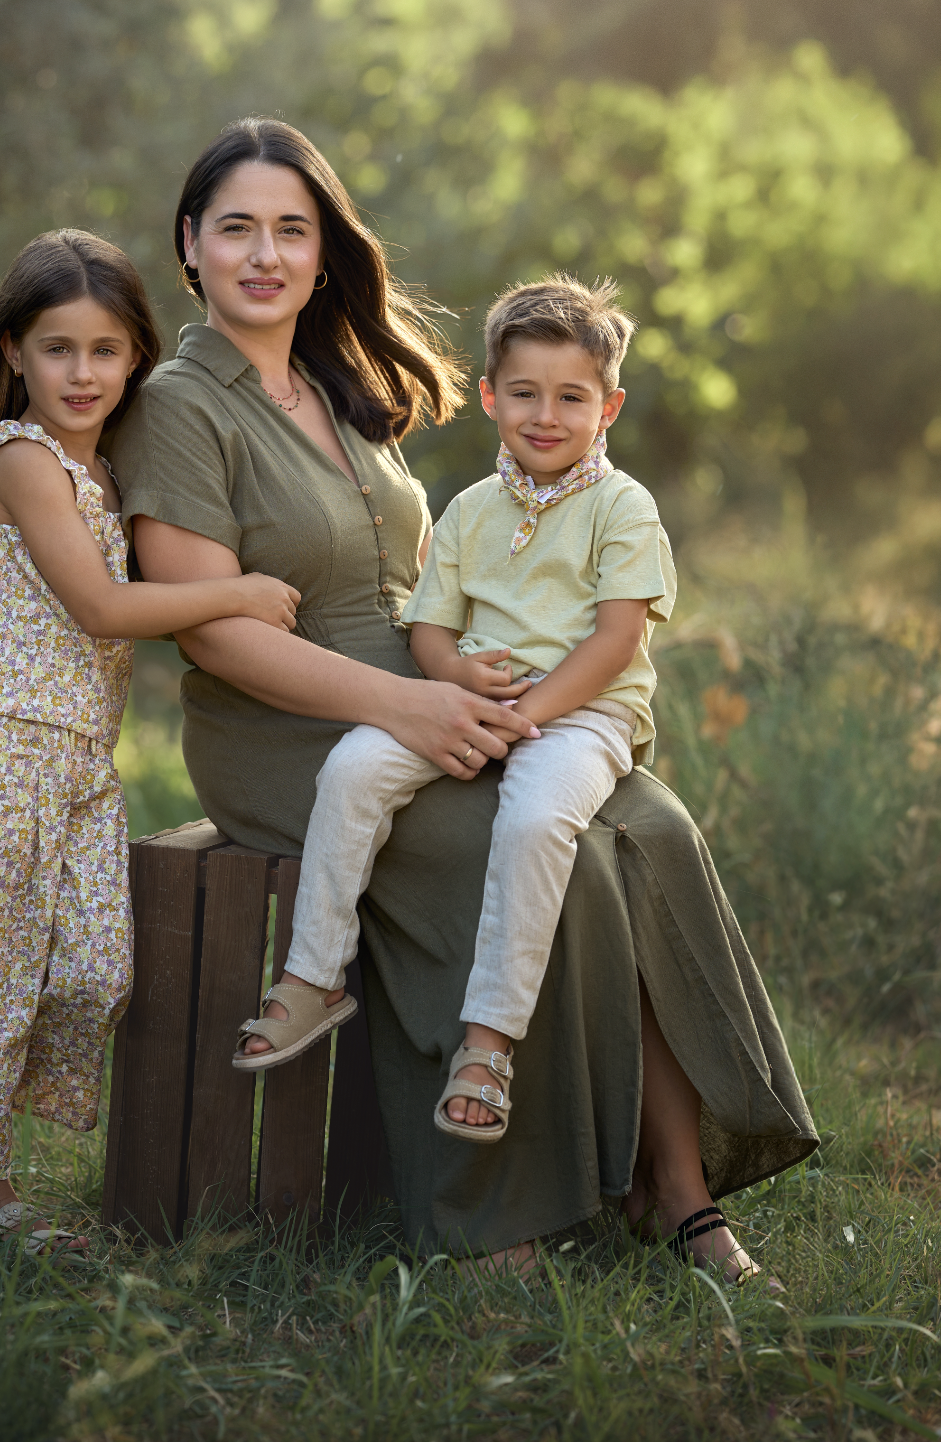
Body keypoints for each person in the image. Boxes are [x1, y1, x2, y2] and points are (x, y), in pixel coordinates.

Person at [109, 118, 817, 1282]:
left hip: (423, 693)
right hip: (289, 728)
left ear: (325, 251)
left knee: (642, 829)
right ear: (189, 244)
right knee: (533, 852)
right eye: (235, 227)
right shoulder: (181, 404)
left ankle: (674, 1185)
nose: (263, 254)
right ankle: (494, 1210)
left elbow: (442, 571)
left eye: (292, 229)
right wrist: (406, 709)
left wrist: (475, 683)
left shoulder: (332, 388)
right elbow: (214, 631)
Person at [0, 229, 299, 1257]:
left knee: (96, 969)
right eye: (58, 348)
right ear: (12, 351)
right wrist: (234, 589)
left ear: (136, 356)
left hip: (76, 755)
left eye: (106, 350)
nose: (83, 372)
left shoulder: (101, 467)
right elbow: (101, 605)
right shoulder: (19, 460)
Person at [233, 276, 674, 1159]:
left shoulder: (621, 508)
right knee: (356, 764)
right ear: (489, 396)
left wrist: (531, 715)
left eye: (571, 397)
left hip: (582, 715)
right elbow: (430, 630)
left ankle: (488, 1042)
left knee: (538, 818)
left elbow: (617, 639)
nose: (545, 415)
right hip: (476, 703)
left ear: (609, 407)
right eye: (524, 393)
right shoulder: (471, 510)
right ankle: (313, 974)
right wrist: (457, 681)